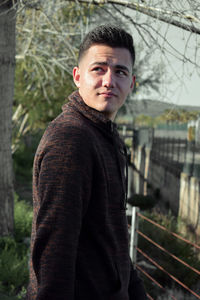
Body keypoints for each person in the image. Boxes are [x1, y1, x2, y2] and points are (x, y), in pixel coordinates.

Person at [26, 24, 147, 300]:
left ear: (131, 82)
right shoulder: (71, 140)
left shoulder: (104, 136)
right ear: (77, 76)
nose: (109, 81)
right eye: (99, 69)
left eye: (120, 72)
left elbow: (112, 239)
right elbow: (53, 255)